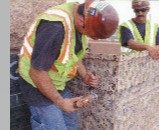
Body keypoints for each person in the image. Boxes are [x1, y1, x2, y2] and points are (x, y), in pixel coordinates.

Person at [18, 0, 119, 129]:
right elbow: (37, 72)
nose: (91, 38)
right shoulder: (55, 27)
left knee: (71, 125)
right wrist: (60, 102)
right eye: (90, 34)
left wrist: (84, 75)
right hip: (36, 83)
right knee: (54, 126)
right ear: (82, 21)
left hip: (56, 83)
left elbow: (72, 55)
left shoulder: (81, 17)